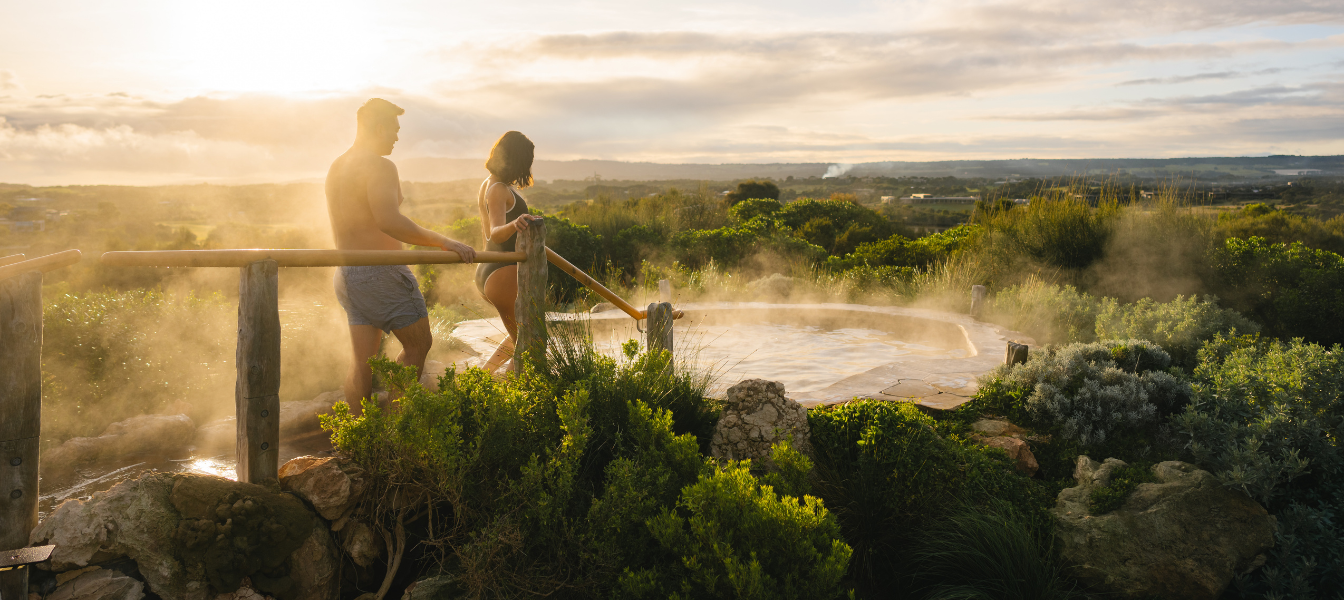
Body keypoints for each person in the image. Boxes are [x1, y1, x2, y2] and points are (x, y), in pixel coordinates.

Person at [326, 98, 477, 408]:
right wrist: (443, 242)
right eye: (393, 130)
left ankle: (358, 437)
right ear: (379, 127)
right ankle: (398, 432)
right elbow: (389, 220)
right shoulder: (379, 165)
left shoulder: (338, 166)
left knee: (362, 363)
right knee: (419, 344)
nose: (396, 137)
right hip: (382, 272)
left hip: (348, 272)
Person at [475, 131, 543, 372]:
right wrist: (516, 224)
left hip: (491, 269)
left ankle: (482, 376)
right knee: (530, 342)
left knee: (523, 338)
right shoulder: (498, 189)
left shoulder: (488, 183)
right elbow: (494, 232)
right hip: (502, 271)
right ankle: (516, 391)